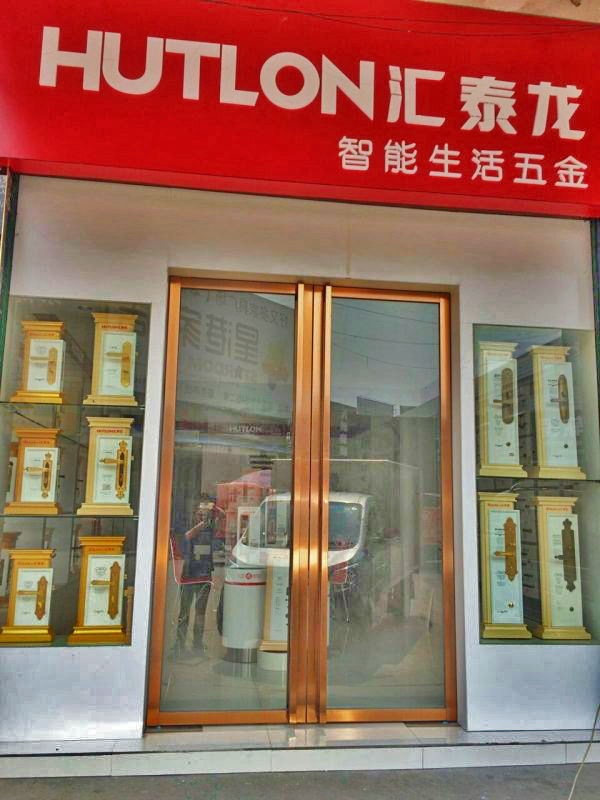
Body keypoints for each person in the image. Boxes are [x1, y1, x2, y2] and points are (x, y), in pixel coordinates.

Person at [176, 497, 218, 658]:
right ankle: (179, 644)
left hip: (204, 574)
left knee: (200, 611)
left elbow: (221, 516)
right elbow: (187, 536)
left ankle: (197, 644)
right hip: (189, 574)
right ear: (194, 514)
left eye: (204, 513)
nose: (202, 516)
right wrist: (201, 524)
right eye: (199, 513)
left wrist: (214, 508)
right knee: (184, 611)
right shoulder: (188, 525)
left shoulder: (210, 527)